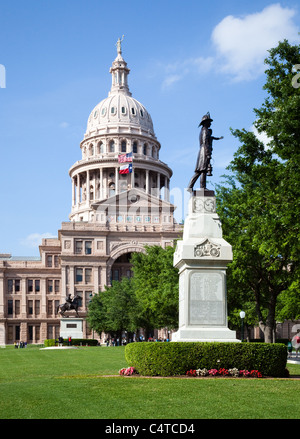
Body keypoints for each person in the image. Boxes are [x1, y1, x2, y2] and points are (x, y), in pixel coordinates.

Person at [188, 112, 223, 191]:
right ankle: (202, 187)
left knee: (199, 171)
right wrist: (208, 153)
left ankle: (190, 187)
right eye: (209, 122)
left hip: (203, 150)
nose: (210, 123)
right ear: (205, 122)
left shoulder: (204, 130)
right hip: (204, 151)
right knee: (203, 170)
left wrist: (217, 138)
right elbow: (205, 142)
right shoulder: (205, 131)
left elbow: (210, 139)